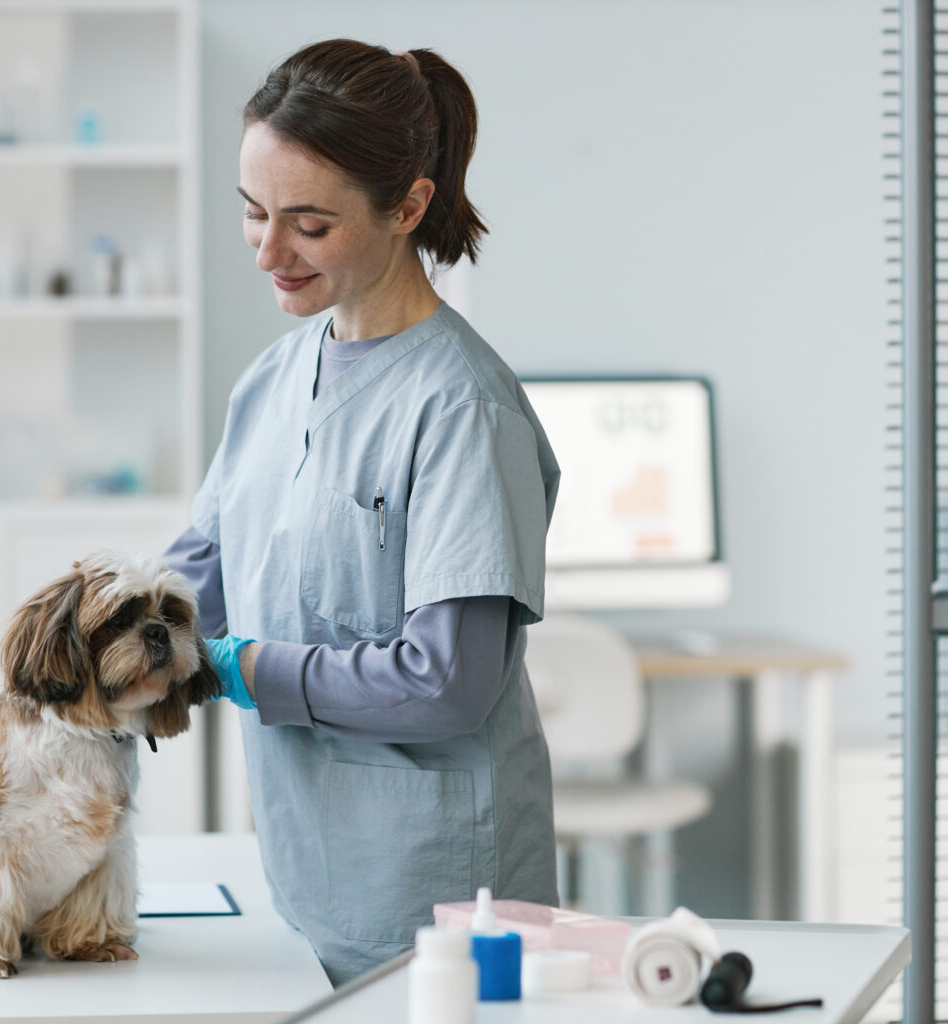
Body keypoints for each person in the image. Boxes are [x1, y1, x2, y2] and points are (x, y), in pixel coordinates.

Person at [165, 38, 560, 986]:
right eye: (254, 213)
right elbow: (198, 573)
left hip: (441, 911)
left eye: (307, 223)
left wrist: (238, 670)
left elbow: (447, 681)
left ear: (409, 206)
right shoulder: (271, 380)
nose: (268, 251)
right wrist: (106, 645)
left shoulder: (463, 408)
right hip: (306, 881)